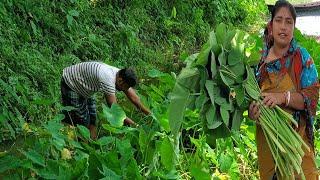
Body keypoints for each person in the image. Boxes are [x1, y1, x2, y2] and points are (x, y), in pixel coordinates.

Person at [248, 0, 319, 179]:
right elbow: (251, 99)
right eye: (279, 20)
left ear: (294, 27)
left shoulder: (302, 58)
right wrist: (252, 112)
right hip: (268, 141)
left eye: (289, 22)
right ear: (271, 25)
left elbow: (311, 96)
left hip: (297, 143)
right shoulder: (258, 62)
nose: (283, 27)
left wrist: (283, 98)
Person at [61, 61, 151, 139]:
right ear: (120, 81)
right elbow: (115, 111)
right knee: (81, 121)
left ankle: (92, 143)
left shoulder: (118, 74)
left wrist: (151, 116)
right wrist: (136, 126)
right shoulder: (108, 79)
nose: (125, 90)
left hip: (86, 86)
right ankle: (73, 142)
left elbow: (134, 98)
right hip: (71, 83)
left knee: (92, 119)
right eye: (125, 87)